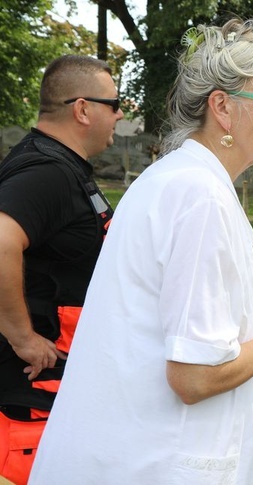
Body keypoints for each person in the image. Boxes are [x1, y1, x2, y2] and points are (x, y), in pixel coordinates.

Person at [28, 19, 253, 484]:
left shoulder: (175, 179)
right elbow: (194, 378)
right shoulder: (198, 197)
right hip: (154, 463)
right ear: (223, 107)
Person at [0, 54, 123, 484]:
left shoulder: (62, 166)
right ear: (83, 108)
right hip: (30, 401)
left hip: (59, 389)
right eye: (114, 102)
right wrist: (22, 336)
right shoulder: (47, 170)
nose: (120, 113)